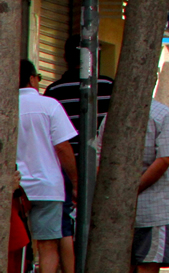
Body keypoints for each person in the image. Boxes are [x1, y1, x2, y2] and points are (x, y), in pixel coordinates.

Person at [45, 34, 113, 268]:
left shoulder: (54, 91)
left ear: (64, 57)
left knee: (64, 226)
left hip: (63, 170)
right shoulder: (109, 87)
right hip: (103, 168)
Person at [100, 95, 169, 273]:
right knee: (148, 265)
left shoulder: (113, 114)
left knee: (121, 264)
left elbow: (100, 157)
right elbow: (165, 158)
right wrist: (133, 190)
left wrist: (117, 193)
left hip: (117, 209)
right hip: (152, 210)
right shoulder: (162, 114)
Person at [19, 60, 77, 273]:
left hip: (15, 188)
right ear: (32, 78)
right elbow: (63, 147)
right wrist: (76, 181)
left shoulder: (5, 105)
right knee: (48, 245)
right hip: (48, 187)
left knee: (14, 244)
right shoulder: (49, 105)